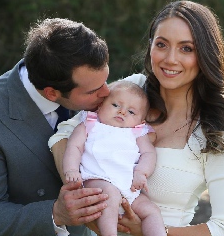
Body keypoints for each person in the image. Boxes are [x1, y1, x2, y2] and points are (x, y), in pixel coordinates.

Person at [50, 0, 224, 236]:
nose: (170, 59)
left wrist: (148, 230)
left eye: (187, 48)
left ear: (205, 55)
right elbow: (64, 134)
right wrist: (86, 199)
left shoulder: (215, 132)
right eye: (162, 44)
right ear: (151, 45)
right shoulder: (132, 91)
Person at [0, 18, 112, 236]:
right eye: (93, 91)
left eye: (106, 80)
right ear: (52, 93)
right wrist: (55, 214)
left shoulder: (93, 88)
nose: (107, 93)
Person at [62, 80, 166, 236]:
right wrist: (71, 169)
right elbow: (74, 147)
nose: (122, 112)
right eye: (116, 105)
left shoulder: (137, 132)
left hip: (129, 188)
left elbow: (149, 154)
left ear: (141, 121)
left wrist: (141, 172)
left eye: (131, 112)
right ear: (100, 106)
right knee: (110, 193)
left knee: (151, 210)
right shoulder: (90, 124)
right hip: (97, 180)